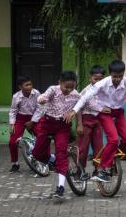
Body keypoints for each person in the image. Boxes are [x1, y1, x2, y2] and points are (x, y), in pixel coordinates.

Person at [32, 70, 80, 200]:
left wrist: (79, 123)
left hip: (63, 127)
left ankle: (60, 187)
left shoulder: (76, 94)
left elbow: (79, 108)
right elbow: (43, 97)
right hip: (47, 124)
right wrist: (41, 99)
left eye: (72, 87)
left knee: (62, 153)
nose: (69, 90)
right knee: (37, 154)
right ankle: (53, 160)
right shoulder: (53, 90)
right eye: (66, 87)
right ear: (60, 83)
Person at [76, 65, 109, 177]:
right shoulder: (86, 90)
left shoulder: (105, 91)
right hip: (86, 120)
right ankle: (80, 170)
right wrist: (79, 124)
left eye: (101, 79)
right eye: (96, 79)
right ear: (90, 78)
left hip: (98, 122)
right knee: (83, 148)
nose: (98, 81)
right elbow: (78, 107)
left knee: (99, 147)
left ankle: (98, 170)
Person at [8, 76, 42, 173]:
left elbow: (40, 108)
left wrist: (32, 121)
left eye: (30, 84)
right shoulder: (16, 96)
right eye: (26, 85)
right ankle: (15, 163)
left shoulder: (36, 93)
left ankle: (45, 161)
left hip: (34, 118)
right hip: (20, 119)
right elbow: (13, 111)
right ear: (20, 87)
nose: (29, 87)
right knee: (12, 142)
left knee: (42, 138)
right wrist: (12, 124)